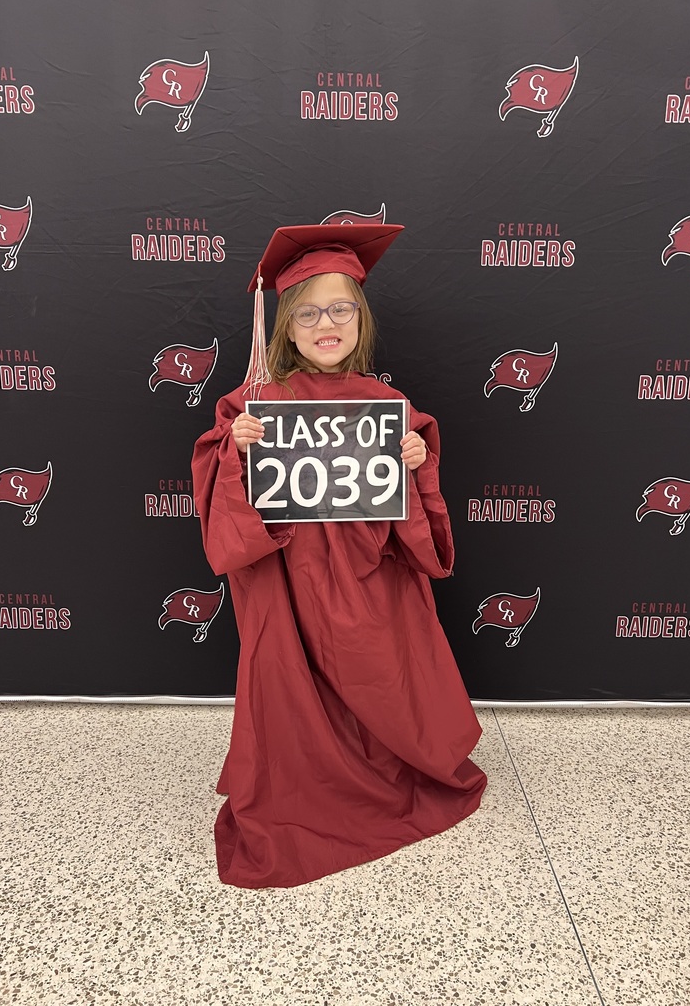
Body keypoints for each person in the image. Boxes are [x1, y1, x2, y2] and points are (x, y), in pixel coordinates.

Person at [191, 223, 487, 888]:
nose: (328, 324)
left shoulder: (388, 406)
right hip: (287, 588)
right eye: (309, 313)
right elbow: (222, 501)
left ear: (361, 318)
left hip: (368, 584)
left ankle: (389, 772)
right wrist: (234, 449)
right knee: (291, 691)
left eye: (342, 309)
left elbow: (416, 531)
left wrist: (416, 463)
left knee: (379, 676)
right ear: (286, 328)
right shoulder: (257, 405)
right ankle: (305, 791)